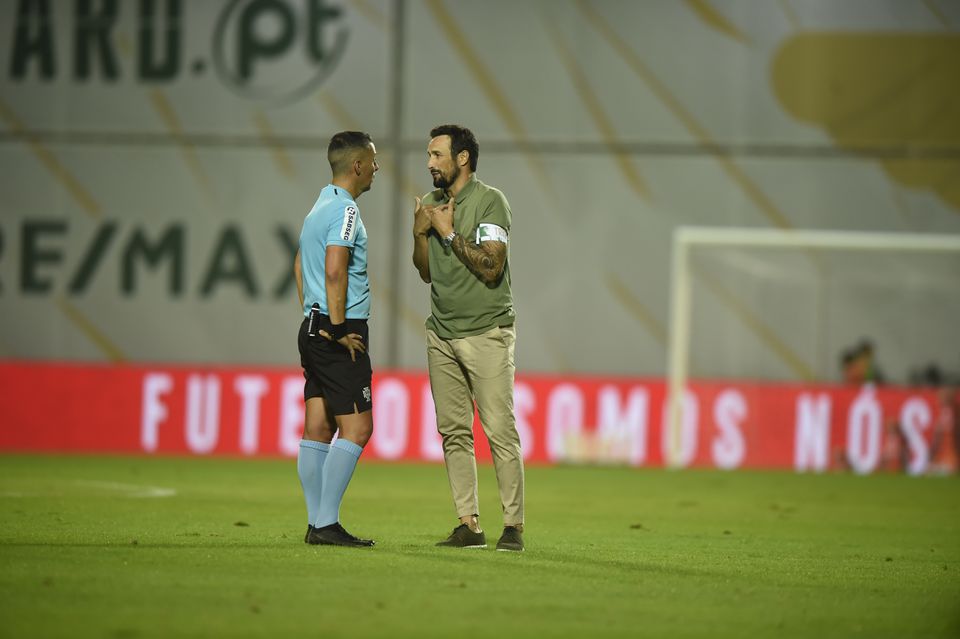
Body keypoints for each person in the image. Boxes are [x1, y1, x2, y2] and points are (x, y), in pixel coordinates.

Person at [412, 124, 525, 552]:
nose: (429, 163)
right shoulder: (432, 205)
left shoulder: (491, 202)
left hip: (487, 332)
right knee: (454, 432)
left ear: (462, 159)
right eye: (429, 155)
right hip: (441, 333)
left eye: (437, 155)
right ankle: (468, 524)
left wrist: (447, 233)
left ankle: (512, 525)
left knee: (499, 430)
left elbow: (491, 268)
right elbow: (424, 271)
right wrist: (420, 233)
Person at [293, 130, 379, 547]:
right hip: (339, 329)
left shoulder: (318, 205)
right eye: (373, 160)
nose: (377, 168)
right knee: (359, 427)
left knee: (318, 426)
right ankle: (326, 523)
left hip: (312, 325)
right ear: (358, 165)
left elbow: (298, 264)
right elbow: (334, 269)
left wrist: (313, 313)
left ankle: (316, 523)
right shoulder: (345, 211)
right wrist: (341, 327)